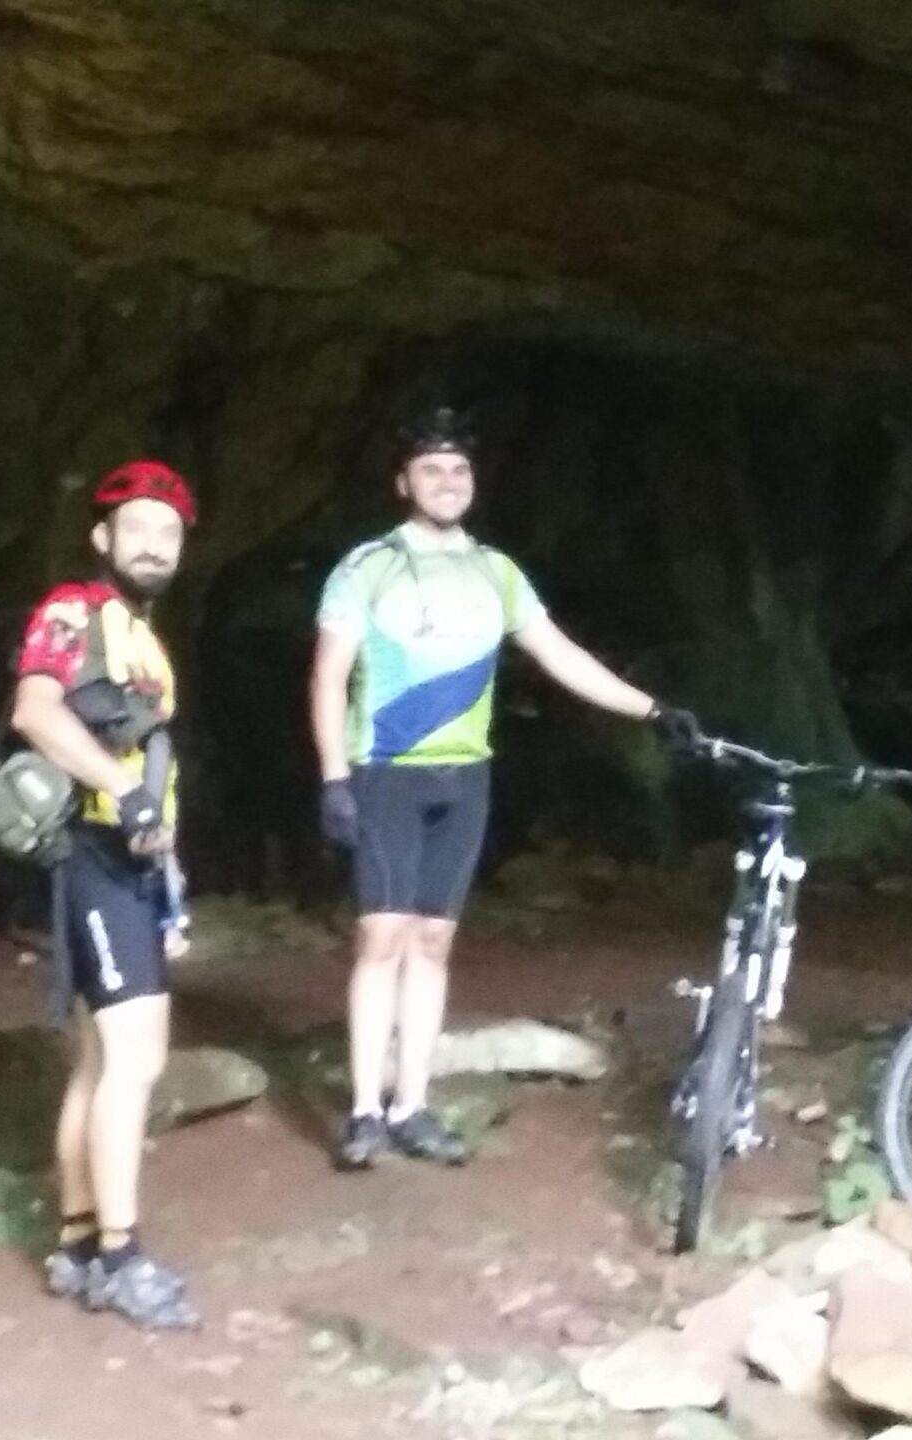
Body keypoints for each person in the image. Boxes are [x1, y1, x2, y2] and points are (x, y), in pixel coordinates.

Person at [310, 407, 700, 1170]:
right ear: (403, 482)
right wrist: (333, 777)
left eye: (459, 470)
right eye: (431, 469)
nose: (447, 482)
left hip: (466, 775)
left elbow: (561, 656)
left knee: (432, 942)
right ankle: (364, 1111)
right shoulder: (367, 567)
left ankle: (412, 1104)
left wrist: (651, 709)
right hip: (387, 769)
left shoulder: (496, 572)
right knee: (380, 938)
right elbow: (327, 676)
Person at [12, 459, 201, 1331]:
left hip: (132, 863)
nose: (155, 545)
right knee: (135, 1063)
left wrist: (168, 870)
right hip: (93, 850)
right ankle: (122, 1258)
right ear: (104, 538)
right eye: (139, 529)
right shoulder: (72, 611)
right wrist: (119, 797)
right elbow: (36, 712)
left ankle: (79, 1243)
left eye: (169, 533)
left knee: (99, 1062)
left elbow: (147, 756)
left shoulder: (141, 634)